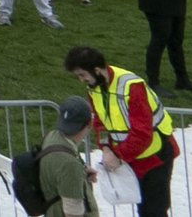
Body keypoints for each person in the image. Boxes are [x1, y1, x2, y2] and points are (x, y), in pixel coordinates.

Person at [66, 47, 178, 217]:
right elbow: (100, 123)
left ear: (96, 70)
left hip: (156, 155)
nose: (81, 80)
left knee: (154, 210)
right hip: (134, 155)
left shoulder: (132, 86)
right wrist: (105, 148)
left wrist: (117, 155)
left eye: (82, 75)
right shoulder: (95, 86)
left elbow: (142, 133)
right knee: (145, 209)